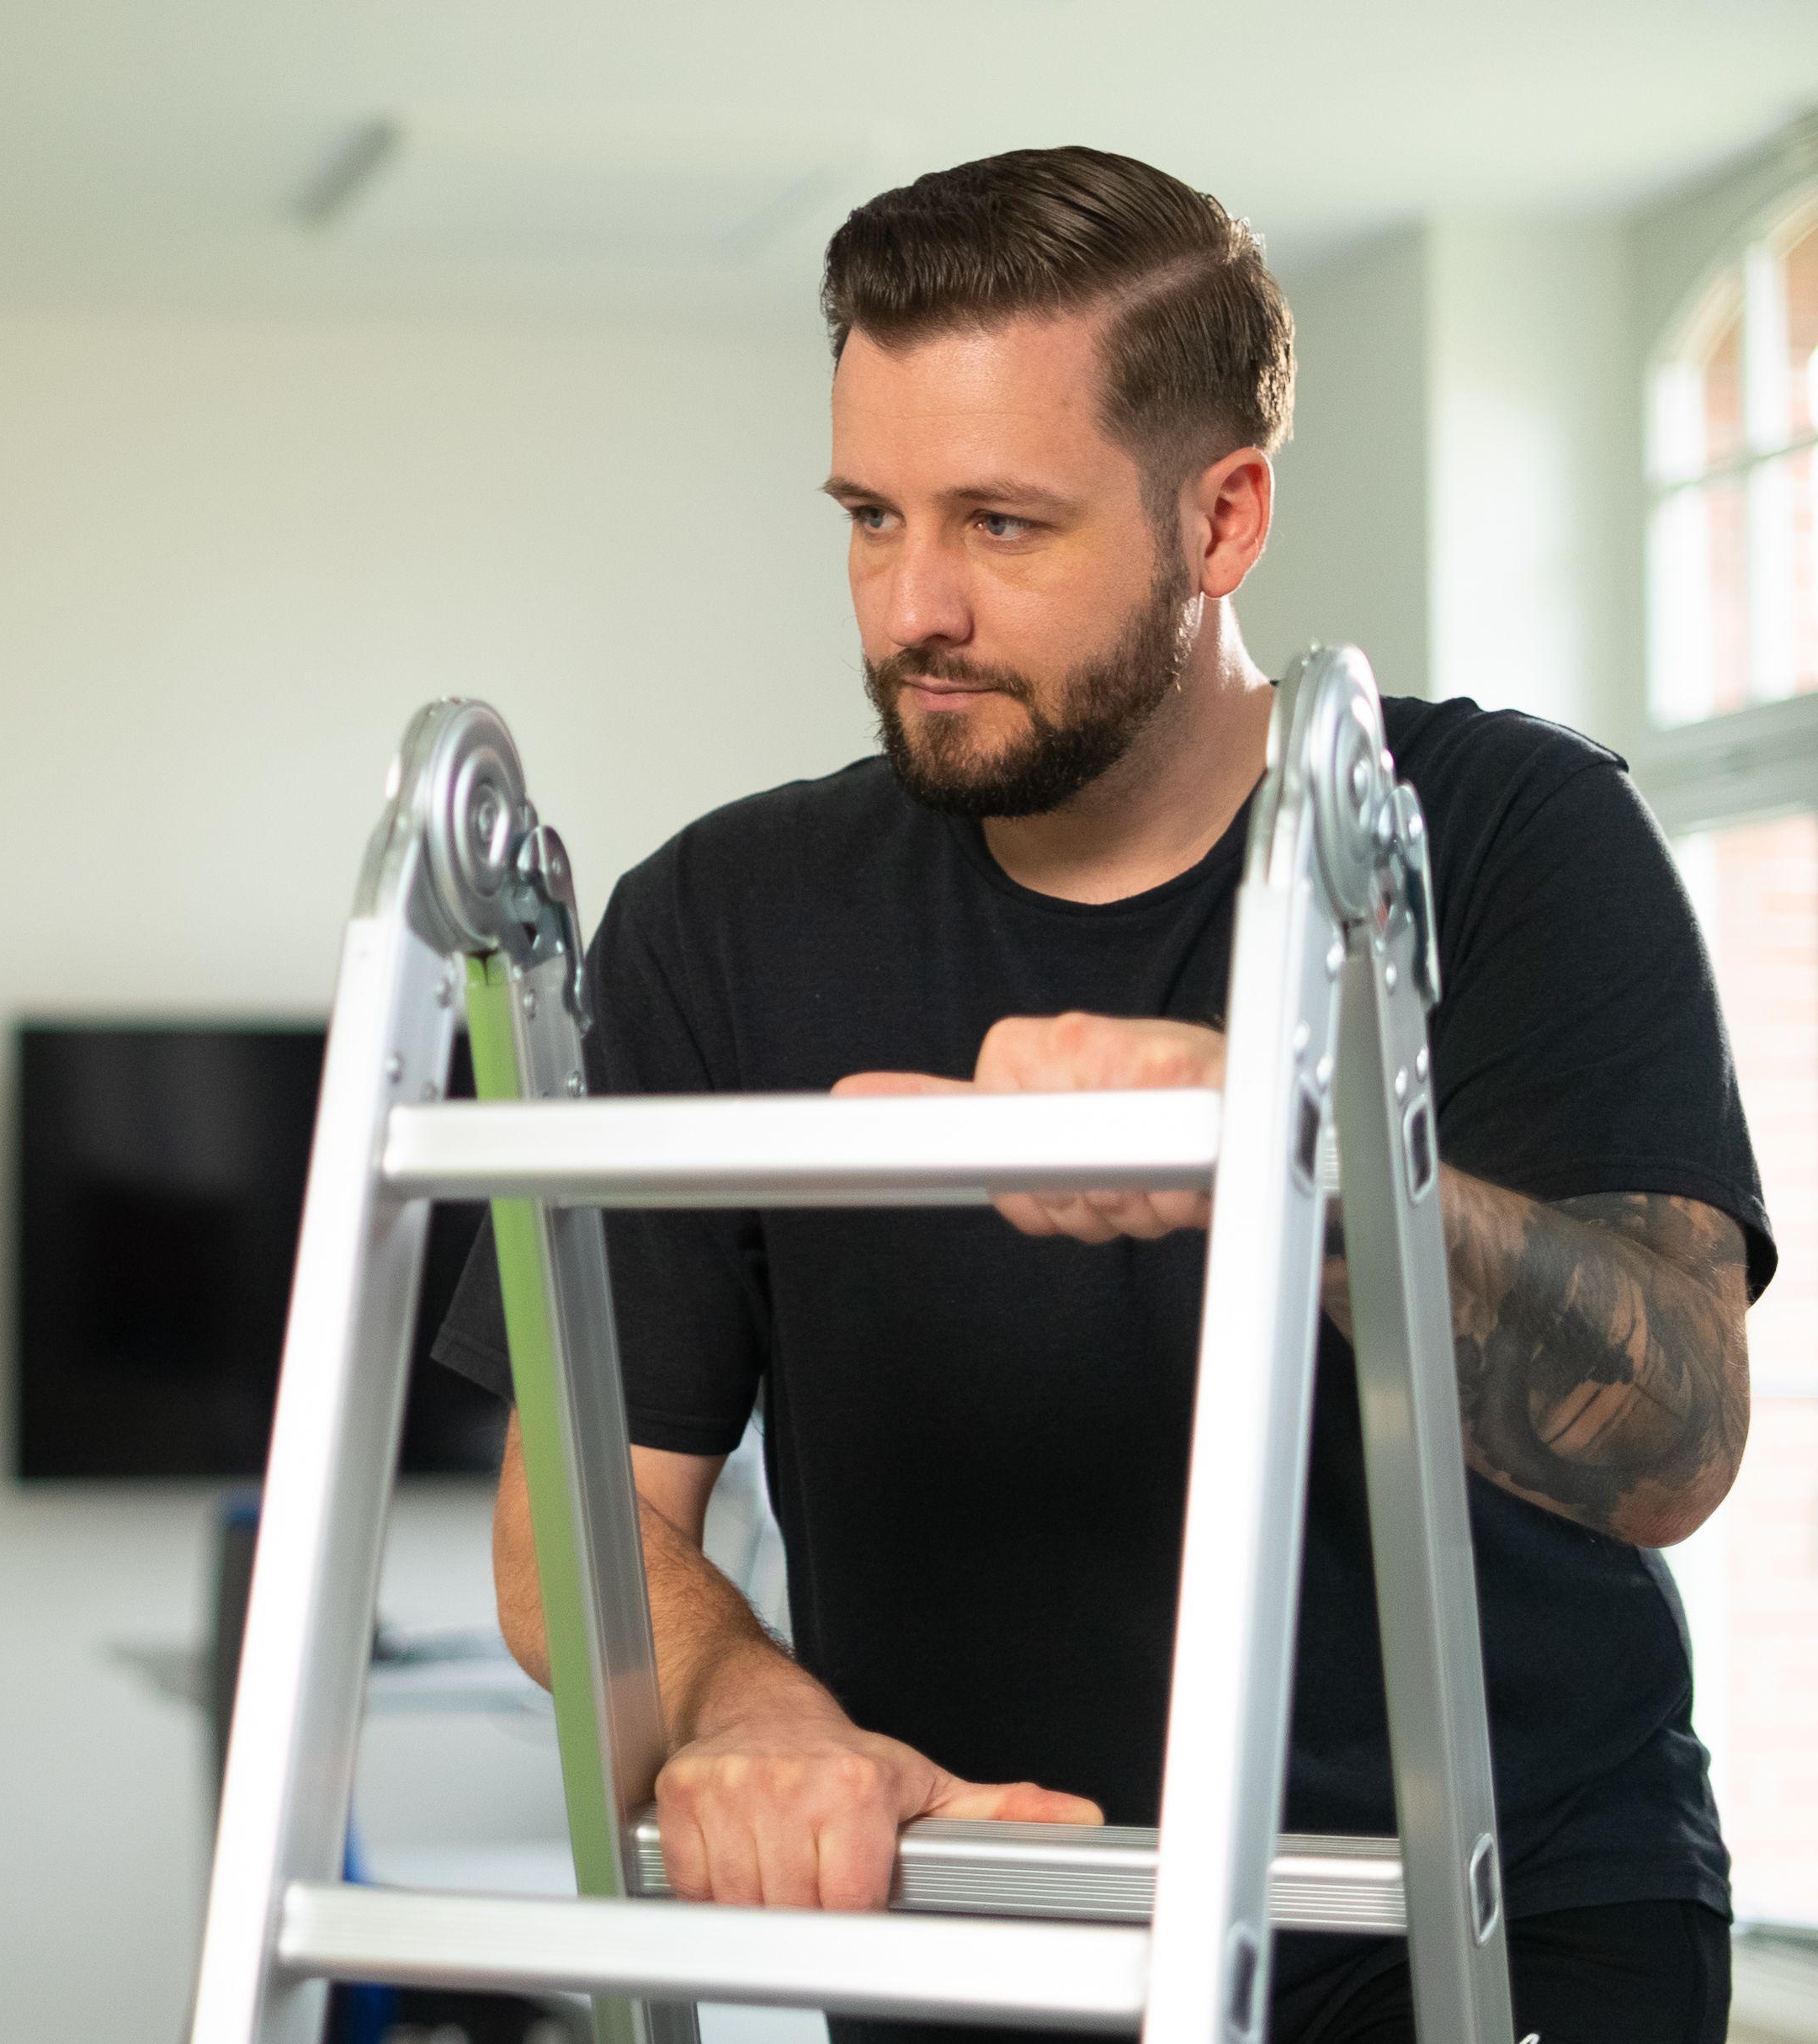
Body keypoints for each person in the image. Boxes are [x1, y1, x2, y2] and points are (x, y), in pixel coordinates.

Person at [436, 148, 1754, 2043]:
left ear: (1221, 521)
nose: (916, 608)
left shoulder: (1497, 836)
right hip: (978, 1913)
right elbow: (571, 1526)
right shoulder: (721, 925)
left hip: (1488, 1923)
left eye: (1001, 523)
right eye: (870, 517)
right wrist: (758, 1716)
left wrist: (1290, 1158)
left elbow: (1675, 1439)